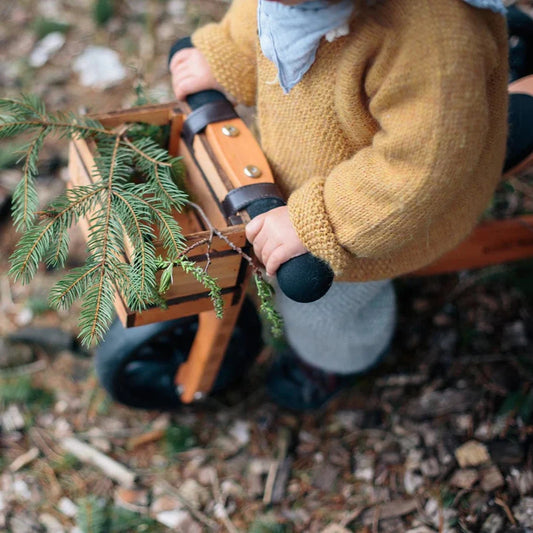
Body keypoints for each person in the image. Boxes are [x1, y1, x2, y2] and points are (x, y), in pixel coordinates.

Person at [168, 0, 509, 410]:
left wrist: (319, 223)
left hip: (384, 212)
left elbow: (421, 169)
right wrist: (228, 56)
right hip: (307, 164)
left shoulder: (430, 41)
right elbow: (259, 13)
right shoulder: (297, 5)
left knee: (323, 308)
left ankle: (338, 360)